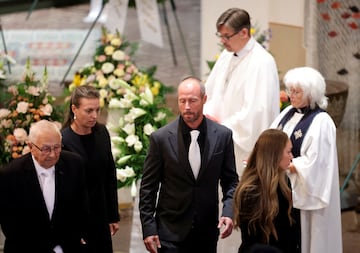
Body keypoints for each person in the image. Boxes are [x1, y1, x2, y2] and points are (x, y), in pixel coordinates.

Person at [139, 76, 239, 253]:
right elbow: (148, 188)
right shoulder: (160, 138)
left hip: (207, 231)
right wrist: (148, 228)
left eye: (192, 101)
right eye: (182, 101)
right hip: (169, 231)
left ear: (204, 100)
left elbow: (231, 181)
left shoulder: (223, 136)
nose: (186, 107)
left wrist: (228, 212)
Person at [270, 67, 342, 253]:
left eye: (296, 91)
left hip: (305, 196)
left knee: (307, 241)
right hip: (281, 190)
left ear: (311, 93)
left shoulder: (321, 122)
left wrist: (287, 165)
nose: (290, 95)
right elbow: (269, 140)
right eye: (289, 90)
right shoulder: (285, 115)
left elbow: (317, 164)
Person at [204, 8, 280, 177]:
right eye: (220, 36)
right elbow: (211, 90)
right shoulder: (227, 55)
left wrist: (222, 128)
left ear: (244, 32)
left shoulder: (262, 63)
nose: (222, 41)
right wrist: (205, 116)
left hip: (241, 148)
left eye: (226, 36)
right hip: (218, 140)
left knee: (237, 197)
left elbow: (257, 113)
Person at [0, 120, 89, 253]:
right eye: (46, 149)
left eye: (57, 147)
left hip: (66, 246)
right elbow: (10, 225)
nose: (53, 154)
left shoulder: (74, 164)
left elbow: (81, 209)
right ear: (31, 146)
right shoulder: (11, 174)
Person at [61, 85, 120, 253]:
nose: (94, 116)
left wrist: (113, 214)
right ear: (74, 109)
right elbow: (64, 191)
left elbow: (109, 174)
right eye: (88, 111)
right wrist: (71, 228)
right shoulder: (64, 140)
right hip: (77, 218)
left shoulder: (101, 132)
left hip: (100, 214)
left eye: (97, 110)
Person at [233, 129, 301, 253]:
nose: (291, 157)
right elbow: (254, 240)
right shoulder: (251, 190)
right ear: (275, 155)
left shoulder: (284, 181)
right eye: (288, 152)